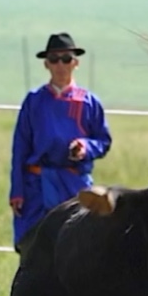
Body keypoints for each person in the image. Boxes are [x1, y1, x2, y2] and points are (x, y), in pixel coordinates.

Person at [10, 33, 113, 246]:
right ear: (46, 64)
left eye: (66, 59)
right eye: (54, 59)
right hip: (36, 186)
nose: (60, 65)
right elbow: (20, 148)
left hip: (73, 184)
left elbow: (103, 141)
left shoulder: (89, 102)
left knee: (77, 247)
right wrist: (17, 190)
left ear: (75, 62)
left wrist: (85, 147)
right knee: (33, 246)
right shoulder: (34, 101)